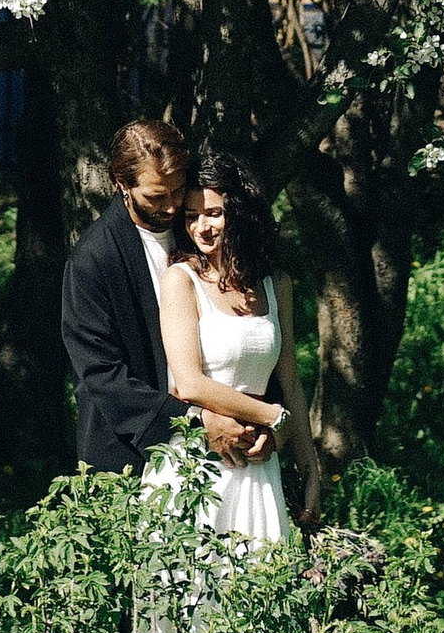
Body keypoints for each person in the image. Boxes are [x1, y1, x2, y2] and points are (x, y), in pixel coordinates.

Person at [61, 116, 261, 477]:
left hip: (227, 444)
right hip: (130, 458)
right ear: (121, 183)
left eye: (177, 190)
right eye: (156, 196)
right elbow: (102, 376)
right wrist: (196, 420)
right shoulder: (93, 260)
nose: (171, 207)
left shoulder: (195, 229)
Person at [153, 144, 322, 543]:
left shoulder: (275, 284)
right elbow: (189, 384)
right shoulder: (181, 280)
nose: (201, 228)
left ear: (240, 215)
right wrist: (271, 416)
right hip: (199, 461)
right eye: (191, 217)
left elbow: (292, 383)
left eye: (214, 213)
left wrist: (310, 468)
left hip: (259, 464)